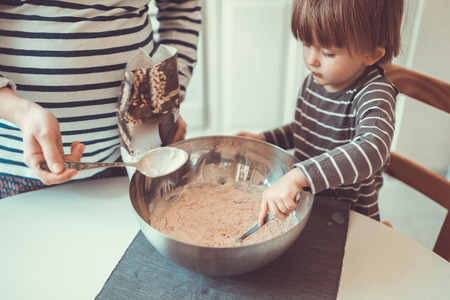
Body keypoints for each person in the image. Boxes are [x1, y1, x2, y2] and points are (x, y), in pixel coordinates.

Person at [0, 0, 202, 198]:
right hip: (16, 171)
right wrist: (22, 113)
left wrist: (168, 97)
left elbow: (181, 7)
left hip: (130, 161)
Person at [237, 0, 403, 226]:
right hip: (311, 204)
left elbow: (372, 150)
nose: (311, 60)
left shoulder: (374, 93)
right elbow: (305, 128)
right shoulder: (317, 80)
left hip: (349, 216)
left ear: (371, 55)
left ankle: (384, 229)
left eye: (327, 52)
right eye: (306, 44)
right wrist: (264, 139)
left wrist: (299, 175)